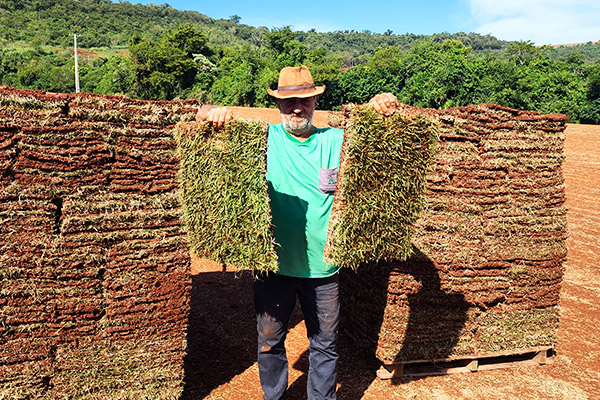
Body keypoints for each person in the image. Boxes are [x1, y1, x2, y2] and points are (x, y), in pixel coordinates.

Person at [197, 66, 398, 400]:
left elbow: (381, 139)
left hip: (324, 268)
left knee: (325, 344)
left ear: (316, 100)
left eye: (304, 100)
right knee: (270, 342)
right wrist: (209, 112)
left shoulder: (336, 142)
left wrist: (382, 105)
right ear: (278, 105)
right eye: (289, 102)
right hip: (273, 266)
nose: (297, 108)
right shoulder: (262, 139)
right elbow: (195, 116)